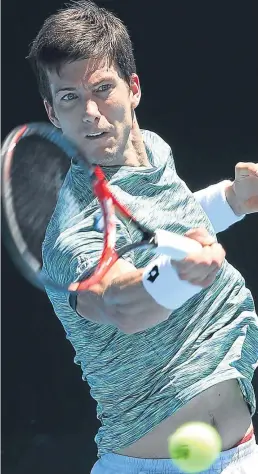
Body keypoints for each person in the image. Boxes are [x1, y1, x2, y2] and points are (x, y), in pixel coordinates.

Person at [27, 1, 258, 472]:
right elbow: (119, 304)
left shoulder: (151, 149)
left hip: (242, 453)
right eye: (69, 97)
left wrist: (234, 200)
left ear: (133, 89)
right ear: (51, 112)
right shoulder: (72, 230)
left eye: (102, 88)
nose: (90, 112)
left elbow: (165, 221)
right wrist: (176, 277)